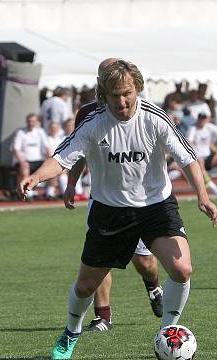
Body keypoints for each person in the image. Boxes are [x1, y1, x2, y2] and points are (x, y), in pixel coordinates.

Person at [18, 59, 217, 360]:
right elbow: (61, 159)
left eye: (126, 93)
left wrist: (203, 196)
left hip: (156, 206)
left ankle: (168, 331)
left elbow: (188, 158)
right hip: (110, 211)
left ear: (137, 88)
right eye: (114, 95)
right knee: (86, 285)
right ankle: (72, 331)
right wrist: (36, 176)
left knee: (181, 268)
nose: (122, 101)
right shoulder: (93, 123)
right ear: (104, 94)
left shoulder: (155, 118)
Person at [62, 84, 164, 333]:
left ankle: (152, 284)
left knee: (145, 263)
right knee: (99, 260)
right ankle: (102, 316)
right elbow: (78, 152)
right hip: (103, 200)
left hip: (139, 200)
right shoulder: (87, 113)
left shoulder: (141, 109)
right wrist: (71, 183)